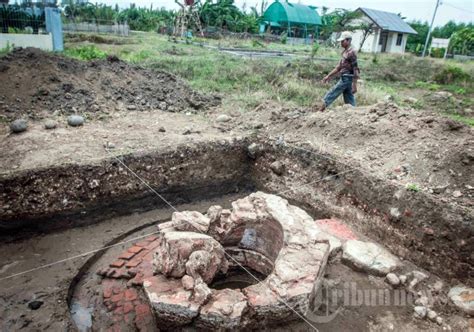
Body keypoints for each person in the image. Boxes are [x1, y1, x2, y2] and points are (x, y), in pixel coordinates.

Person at [318, 31, 360, 112]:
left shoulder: (352, 52)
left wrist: (354, 84)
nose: (341, 43)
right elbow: (339, 67)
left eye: (342, 41)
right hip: (346, 77)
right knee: (349, 99)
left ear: (348, 40)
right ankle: (354, 113)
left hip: (347, 78)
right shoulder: (345, 52)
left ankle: (321, 109)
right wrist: (328, 76)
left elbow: (355, 69)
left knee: (333, 92)